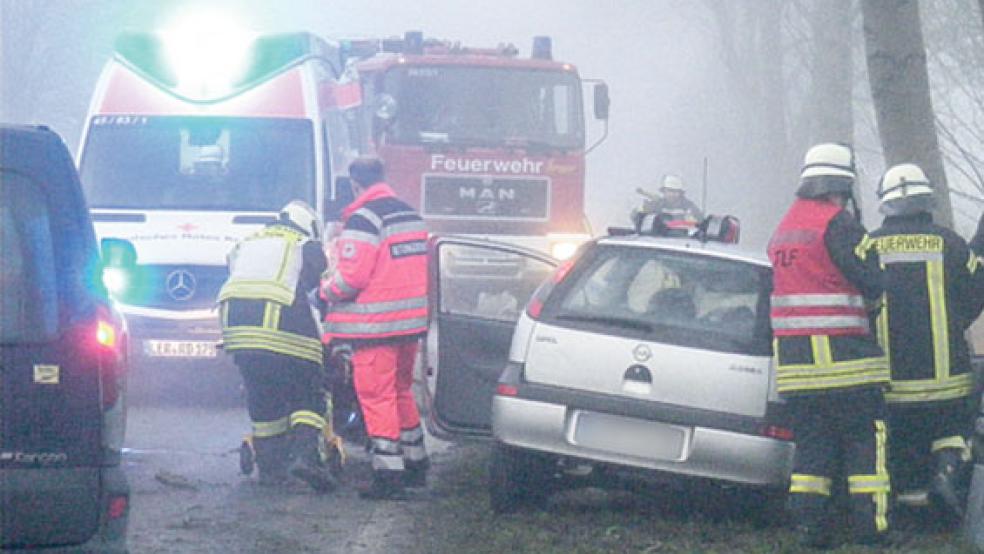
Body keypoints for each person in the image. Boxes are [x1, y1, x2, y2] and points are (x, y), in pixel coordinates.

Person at [768, 143, 891, 548]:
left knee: (812, 454)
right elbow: (874, 282)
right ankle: (870, 531)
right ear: (843, 185)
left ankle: (809, 530)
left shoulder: (784, 228)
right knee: (864, 445)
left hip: (797, 368)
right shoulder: (839, 224)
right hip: (846, 363)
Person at [869, 163, 984, 518]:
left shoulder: (868, 246)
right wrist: (954, 322)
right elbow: (977, 290)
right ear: (927, 200)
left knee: (898, 447)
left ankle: (901, 507)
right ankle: (946, 478)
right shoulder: (949, 244)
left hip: (888, 383)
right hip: (947, 381)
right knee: (950, 433)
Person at [320, 157, 430, 500]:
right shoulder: (410, 215)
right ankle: (415, 462)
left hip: (374, 329)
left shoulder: (364, 219)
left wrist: (325, 290)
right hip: (409, 325)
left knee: (376, 397)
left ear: (355, 184)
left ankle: (388, 476)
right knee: (400, 392)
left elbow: (352, 277)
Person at [217, 200, 337, 492]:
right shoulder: (303, 243)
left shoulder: (245, 243)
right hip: (279, 321)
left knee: (263, 395)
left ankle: (270, 469)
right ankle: (306, 458)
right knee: (309, 389)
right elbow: (319, 286)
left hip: (236, 327)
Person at [636, 174, 704, 233]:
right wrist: (643, 212)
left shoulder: (689, 207)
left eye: (675, 191)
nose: (672, 194)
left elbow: (701, 223)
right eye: (669, 191)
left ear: (681, 193)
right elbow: (636, 218)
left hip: (683, 242)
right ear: (664, 191)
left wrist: (690, 222)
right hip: (657, 240)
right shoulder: (657, 204)